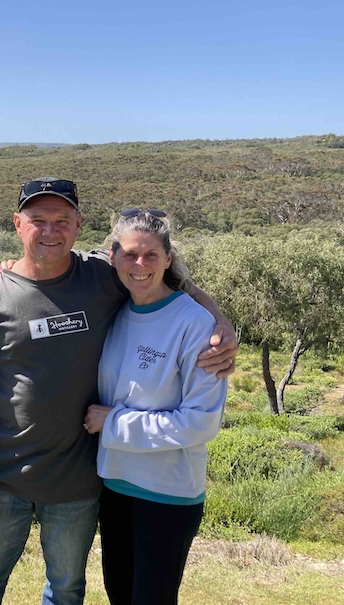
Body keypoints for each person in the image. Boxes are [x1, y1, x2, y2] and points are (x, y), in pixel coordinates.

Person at [0, 177, 236, 605]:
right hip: (5, 474)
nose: (50, 231)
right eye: (38, 220)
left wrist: (220, 322)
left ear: (79, 224)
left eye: (62, 220)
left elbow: (163, 276)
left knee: (67, 588)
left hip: (80, 479)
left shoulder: (103, 276)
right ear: (17, 224)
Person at [83, 209, 227, 605]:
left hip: (167, 493)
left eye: (151, 255)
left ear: (168, 258)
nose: (140, 264)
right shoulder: (114, 312)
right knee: (119, 594)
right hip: (114, 486)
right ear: (113, 257)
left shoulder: (195, 324)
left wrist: (114, 423)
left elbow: (200, 423)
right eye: (130, 254)